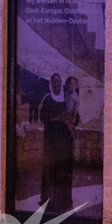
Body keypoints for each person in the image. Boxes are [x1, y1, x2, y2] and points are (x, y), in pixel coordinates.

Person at [40, 73, 75, 212]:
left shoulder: (67, 99)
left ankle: (64, 202)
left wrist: (71, 118)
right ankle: (50, 203)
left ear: (61, 84)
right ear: (51, 84)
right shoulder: (47, 99)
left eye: (58, 82)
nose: (56, 84)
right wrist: (59, 117)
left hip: (65, 143)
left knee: (63, 171)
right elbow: (43, 117)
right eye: (54, 82)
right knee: (51, 171)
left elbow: (75, 117)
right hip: (51, 142)